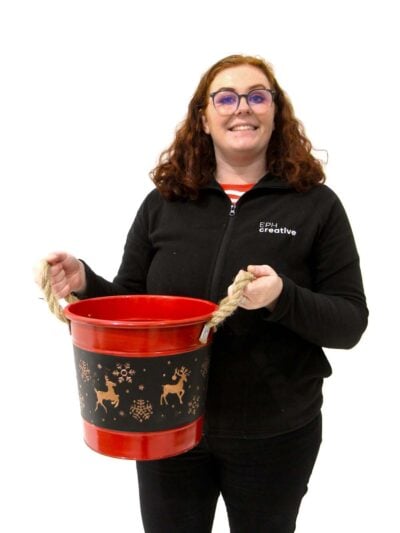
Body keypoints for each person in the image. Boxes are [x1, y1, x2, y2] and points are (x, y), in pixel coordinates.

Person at [38, 54, 368, 532]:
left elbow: (349, 323)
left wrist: (282, 297)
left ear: (276, 113)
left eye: (258, 97)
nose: (243, 108)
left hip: (274, 432)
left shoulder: (316, 206)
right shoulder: (164, 204)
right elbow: (133, 302)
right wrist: (84, 282)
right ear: (203, 118)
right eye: (226, 98)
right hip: (164, 427)